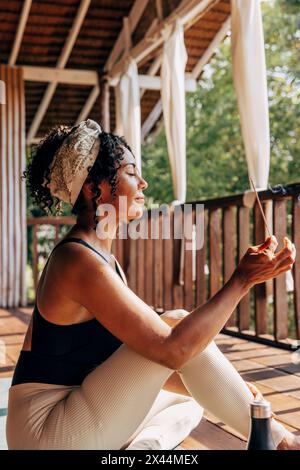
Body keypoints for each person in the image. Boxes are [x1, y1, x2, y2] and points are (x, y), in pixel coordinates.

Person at [6, 119, 299, 450]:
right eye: (131, 172)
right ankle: (283, 443)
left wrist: (230, 387)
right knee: (175, 324)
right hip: (46, 430)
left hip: (75, 408)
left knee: (191, 400)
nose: (143, 183)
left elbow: (153, 360)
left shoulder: (102, 260)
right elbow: (173, 348)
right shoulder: (78, 261)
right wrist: (242, 279)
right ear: (95, 187)